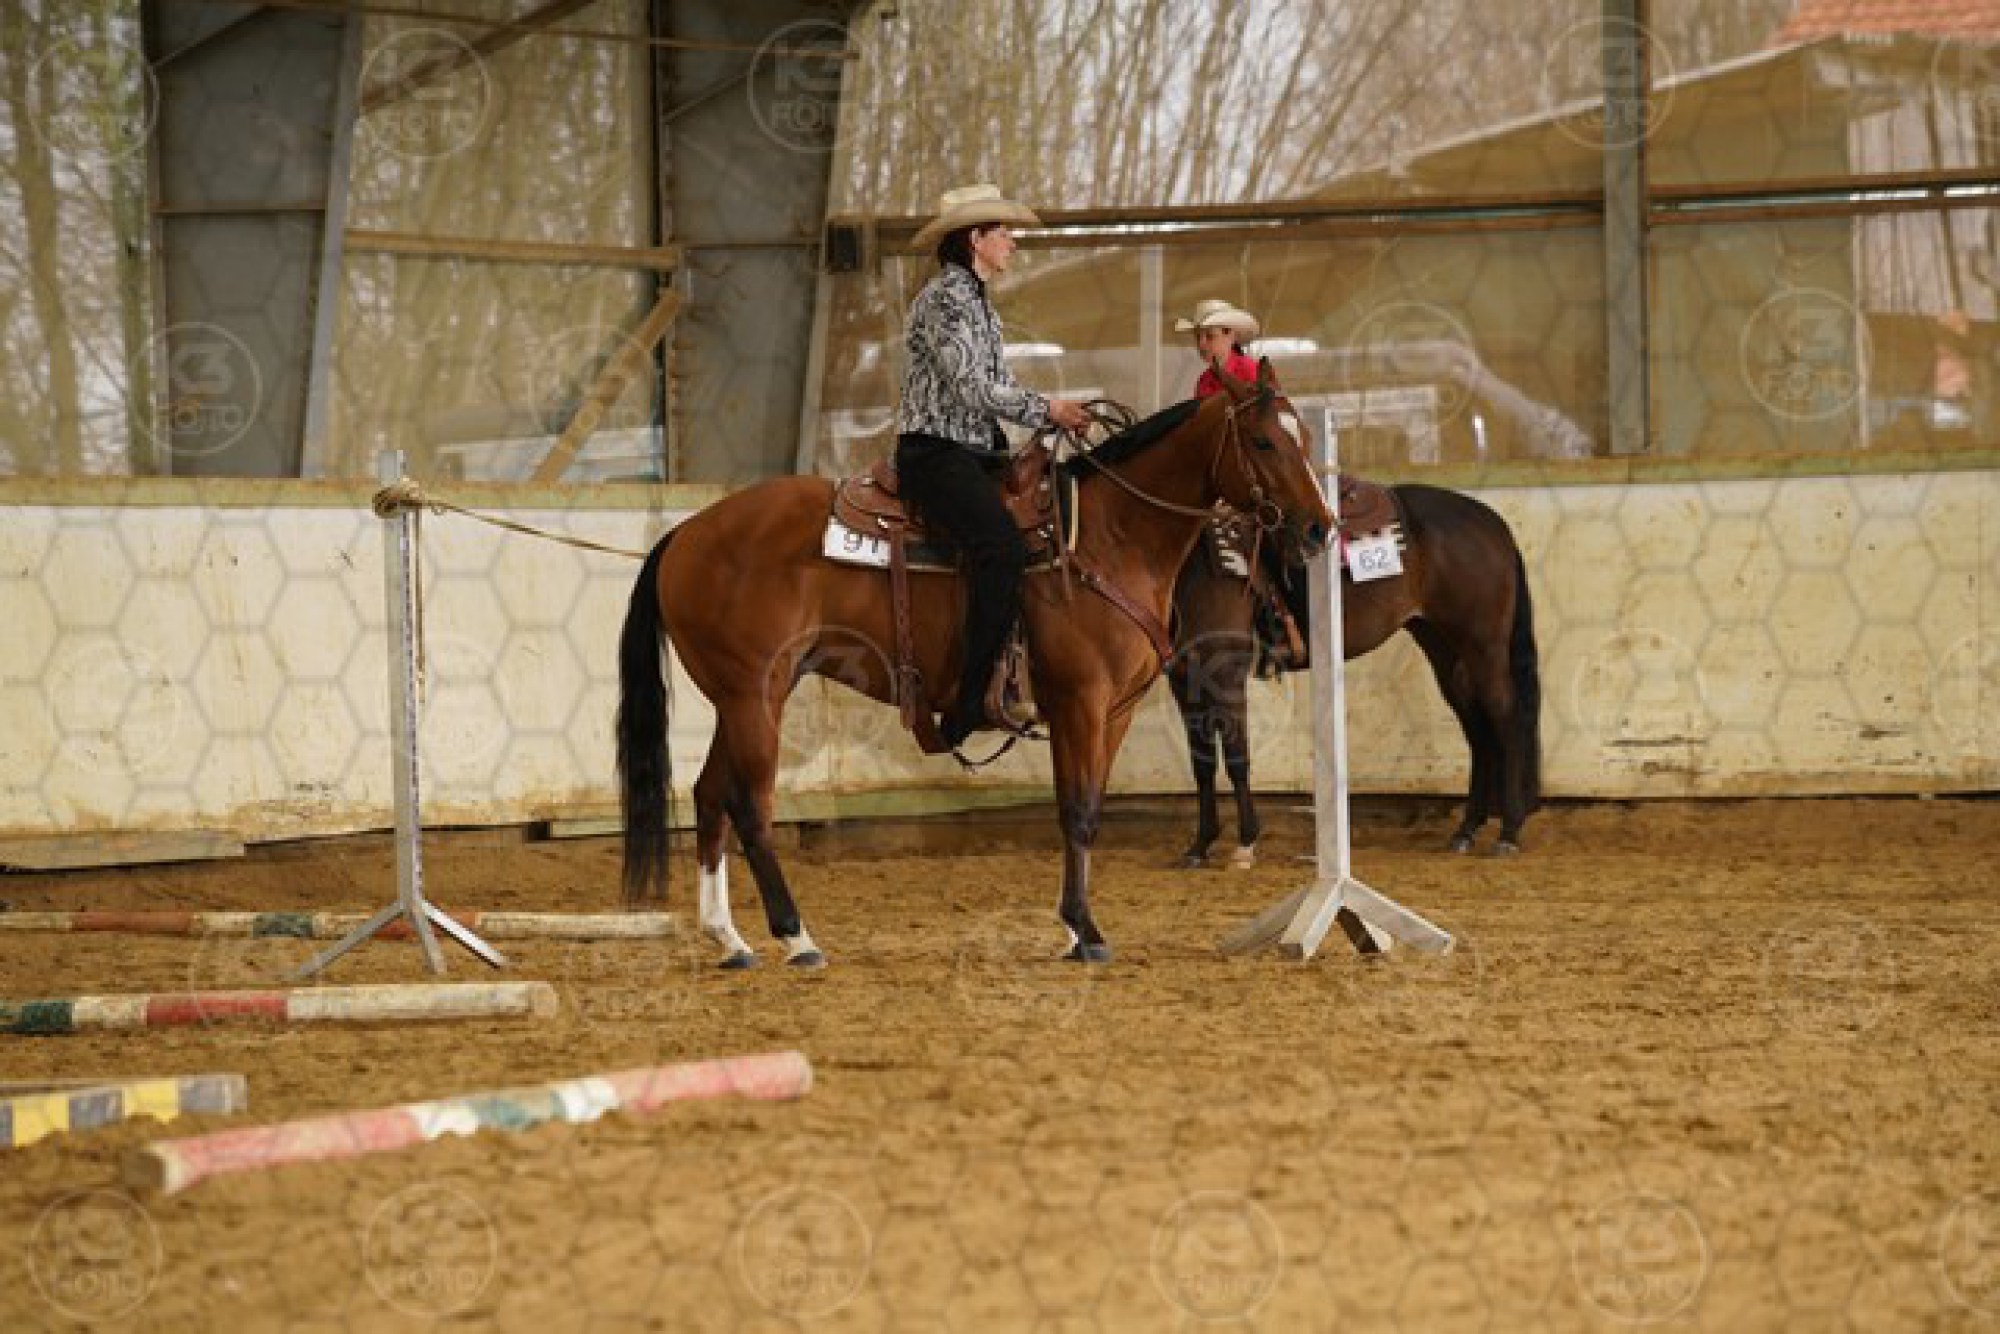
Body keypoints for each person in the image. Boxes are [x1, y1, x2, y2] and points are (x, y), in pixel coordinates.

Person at [897, 184, 1092, 748]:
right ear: (975, 239)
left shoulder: (979, 303)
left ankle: (1021, 671)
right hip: (935, 451)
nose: (1012, 241)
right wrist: (1047, 408)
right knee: (1001, 547)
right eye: (1003, 232)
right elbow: (971, 387)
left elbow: (995, 386)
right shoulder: (946, 300)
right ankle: (970, 699)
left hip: (974, 449)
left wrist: (1045, 420)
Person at [1175, 299, 1261, 398]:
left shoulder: (1251, 370)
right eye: (1198, 337)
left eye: (1210, 336)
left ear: (1230, 335)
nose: (1201, 344)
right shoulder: (1204, 381)